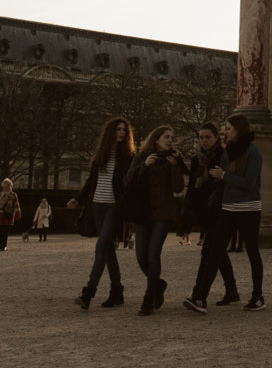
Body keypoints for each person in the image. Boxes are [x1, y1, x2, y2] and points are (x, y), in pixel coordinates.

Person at [183, 114, 265, 314]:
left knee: (253, 253)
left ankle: (257, 296)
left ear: (238, 130)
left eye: (228, 128)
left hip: (248, 208)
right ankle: (201, 298)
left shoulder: (253, 153)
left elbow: (249, 183)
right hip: (228, 208)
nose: (225, 132)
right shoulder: (228, 152)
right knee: (215, 251)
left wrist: (224, 176)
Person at [67, 117, 135, 309]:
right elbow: (91, 181)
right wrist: (78, 199)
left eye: (124, 130)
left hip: (114, 208)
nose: (121, 132)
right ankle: (117, 291)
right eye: (118, 129)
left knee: (101, 247)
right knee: (107, 250)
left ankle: (88, 293)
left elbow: (129, 186)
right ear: (110, 132)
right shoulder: (101, 155)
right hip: (96, 205)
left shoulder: (128, 157)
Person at [125, 125, 186, 315]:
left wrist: (176, 167)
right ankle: (158, 285)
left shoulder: (174, 160)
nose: (170, 140)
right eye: (167, 137)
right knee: (141, 256)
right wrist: (144, 166)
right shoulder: (141, 158)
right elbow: (127, 181)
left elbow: (178, 188)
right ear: (156, 138)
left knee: (153, 254)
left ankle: (148, 298)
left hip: (163, 214)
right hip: (143, 213)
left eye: (172, 137)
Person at [179, 123, 239, 303]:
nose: (204, 141)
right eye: (202, 137)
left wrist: (222, 176)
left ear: (216, 138)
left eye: (208, 137)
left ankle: (199, 294)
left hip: (221, 210)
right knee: (218, 252)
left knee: (208, 252)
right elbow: (193, 189)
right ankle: (232, 290)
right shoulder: (197, 159)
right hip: (204, 212)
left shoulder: (224, 156)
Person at [0, 178, 22, 251]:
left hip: (8, 214)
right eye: (4, 187)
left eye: (7, 187)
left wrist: (18, 213)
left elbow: (16, 204)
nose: (5, 188)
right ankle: (1, 244)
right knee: (0, 230)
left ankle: (4, 245)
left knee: (6, 231)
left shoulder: (13, 195)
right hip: (0, 214)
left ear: (10, 187)